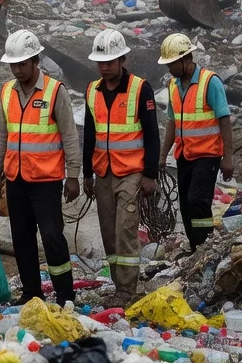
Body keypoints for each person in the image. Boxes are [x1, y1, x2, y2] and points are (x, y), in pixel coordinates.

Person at [0, 30, 81, 305]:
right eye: (13, 65)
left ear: (36, 60)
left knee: (52, 237)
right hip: (16, 178)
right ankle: (31, 293)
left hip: (46, 180)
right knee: (22, 238)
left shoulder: (55, 91)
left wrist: (73, 175)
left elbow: (70, 135)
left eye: (22, 64)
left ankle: (65, 295)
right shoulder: (7, 92)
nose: (17, 70)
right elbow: (1, 136)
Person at [81, 30, 159, 305]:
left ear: (123, 59)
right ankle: (118, 285)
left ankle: (127, 290)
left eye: (110, 61)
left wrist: (150, 174)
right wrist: (86, 173)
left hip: (131, 172)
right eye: (101, 62)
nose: (105, 67)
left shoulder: (140, 88)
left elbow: (152, 133)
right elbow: (89, 133)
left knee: (125, 229)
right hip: (103, 170)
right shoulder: (92, 90)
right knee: (108, 231)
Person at [158, 33, 234, 251]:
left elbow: (224, 120)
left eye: (171, 64)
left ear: (185, 59)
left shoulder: (210, 82)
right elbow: (172, 123)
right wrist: (164, 155)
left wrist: (228, 157)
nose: (169, 69)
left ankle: (205, 246)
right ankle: (195, 249)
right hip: (184, 155)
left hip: (207, 154)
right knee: (185, 204)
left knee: (197, 201)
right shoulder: (173, 85)